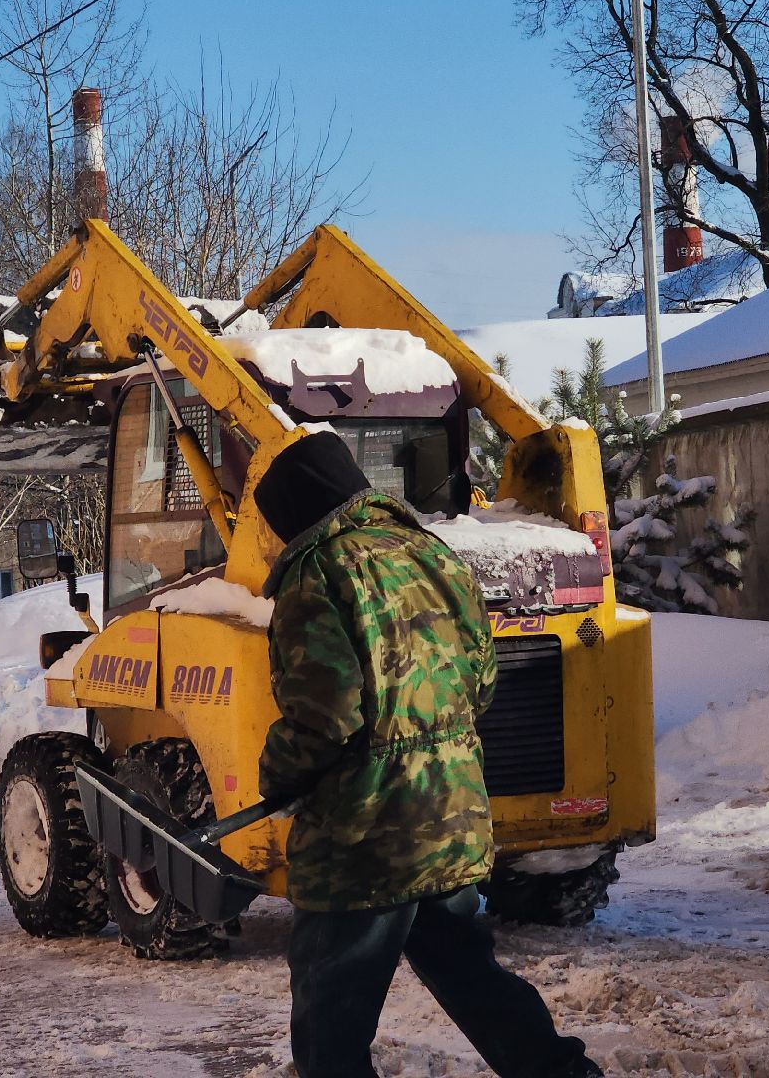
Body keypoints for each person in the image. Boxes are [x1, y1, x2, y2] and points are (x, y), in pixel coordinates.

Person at [252, 431, 603, 1078]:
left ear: (296, 516)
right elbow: (482, 679)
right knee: (475, 982)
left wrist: (276, 777)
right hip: (450, 818)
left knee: (331, 1026)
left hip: (364, 844)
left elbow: (323, 718)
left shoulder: (317, 577)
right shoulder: (431, 554)